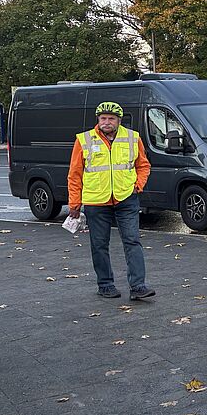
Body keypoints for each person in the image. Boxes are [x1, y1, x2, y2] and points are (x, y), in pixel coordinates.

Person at [67, 102, 154, 301]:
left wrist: (137, 185)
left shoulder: (133, 138)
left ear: (119, 120)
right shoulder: (84, 140)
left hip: (126, 198)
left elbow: (143, 165)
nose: (107, 122)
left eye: (111, 119)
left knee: (132, 241)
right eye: (103, 118)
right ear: (98, 119)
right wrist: (74, 204)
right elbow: (74, 174)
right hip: (96, 201)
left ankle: (138, 286)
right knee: (99, 244)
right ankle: (105, 284)